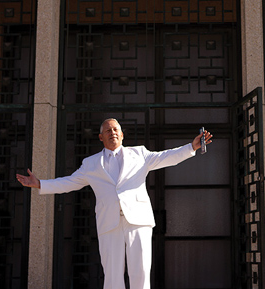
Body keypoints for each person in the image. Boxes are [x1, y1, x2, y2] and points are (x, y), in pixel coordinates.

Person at [16, 118, 213, 289]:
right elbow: (69, 182)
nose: (112, 132)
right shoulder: (91, 163)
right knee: (112, 276)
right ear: (100, 137)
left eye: (115, 129)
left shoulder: (140, 154)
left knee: (141, 272)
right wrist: (40, 184)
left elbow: (166, 157)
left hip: (138, 221)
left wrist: (191, 147)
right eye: (108, 130)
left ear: (122, 135)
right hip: (109, 224)